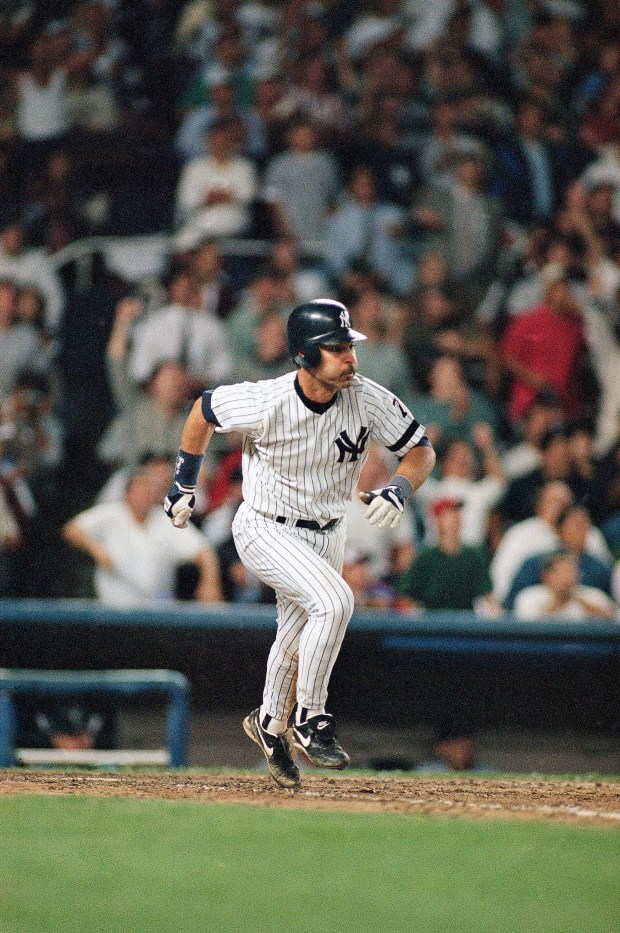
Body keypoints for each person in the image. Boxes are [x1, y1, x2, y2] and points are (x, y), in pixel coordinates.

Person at [164, 298, 435, 788]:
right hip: (265, 525)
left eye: (350, 346)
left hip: (328, 530)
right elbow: (202, 411)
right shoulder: (267, 399)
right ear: (306, 356)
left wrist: (399, 487)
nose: (350, 357)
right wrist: (184, 482)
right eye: (337, 348)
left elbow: (419, 449)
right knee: (334, 603)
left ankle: (269, 724)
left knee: (292, 643)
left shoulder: (367, 397)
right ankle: (311, 719)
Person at [63, 463, 221, 605]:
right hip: (114, 611)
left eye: (150, 489)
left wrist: (210, 582)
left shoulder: (167, 521)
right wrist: (96, 550)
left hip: (155, 613)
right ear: (128, 493)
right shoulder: (112, 513)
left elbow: (204, 551)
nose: (146, 494)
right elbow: (71, 530)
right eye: (141, 488)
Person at [397, 497, 502, 616]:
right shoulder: (426, 558)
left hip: (465, 623)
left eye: (457, 513)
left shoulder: (472, 556)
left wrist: (497, 616)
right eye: (448, 515)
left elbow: (488, 594)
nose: (455, 518)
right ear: (438, 520)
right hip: (432, 623)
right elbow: (406, 595)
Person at [513, 550, 617, 621]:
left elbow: (611, 621)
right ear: (546, 576)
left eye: (572, 570)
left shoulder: (594, 596)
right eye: (562, 571)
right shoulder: (529, 597)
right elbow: (530, 630)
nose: (568, 576)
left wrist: (576, 598)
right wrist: (558, 601)